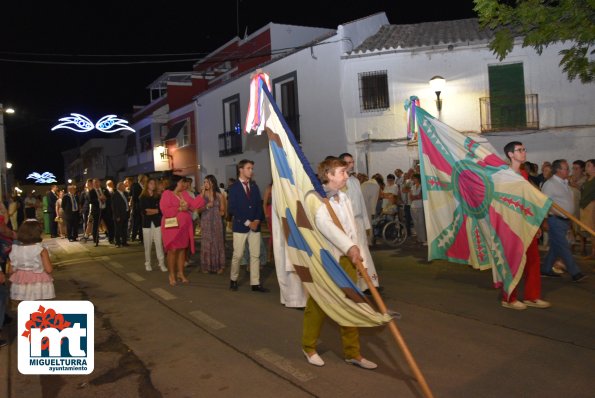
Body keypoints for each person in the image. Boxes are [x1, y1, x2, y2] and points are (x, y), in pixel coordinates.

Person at [301, 157, 377, 370]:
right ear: (329, 175)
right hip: (327, 260)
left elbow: (351, 227)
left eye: (346, 172)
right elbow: (326, 225)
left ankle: (353, 353)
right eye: (342, 172)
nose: (346, 175)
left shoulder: (343, 197)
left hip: (347, 260)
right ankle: (308, 347)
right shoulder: (316, 198)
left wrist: (357, 249)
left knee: (351, 303)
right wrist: (348, 246)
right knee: (318, 304)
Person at [500, 142, 551, 310]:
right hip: (510, 225)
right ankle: (509, 298)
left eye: (524, 149)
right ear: (510, 154)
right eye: (519, 150)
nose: (523, 152)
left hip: (526, 223)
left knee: (533, 260)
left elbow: (528, 200)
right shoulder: (503, 175)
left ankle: (532, 296)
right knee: (512, 262)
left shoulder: (523, 174)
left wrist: (536, 224)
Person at [540, 159, 587, 282]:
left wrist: (570, 218)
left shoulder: (565, 182)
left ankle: (545, 269)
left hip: (565, 220)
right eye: (566, 168)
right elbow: (544, 203)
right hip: (554, 220)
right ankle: (575, 272)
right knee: (563, 246)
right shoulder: (549, 184)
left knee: (556, 247)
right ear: (558, 170)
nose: (569, 170)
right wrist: (544, 220)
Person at [338, 153, 379, 291]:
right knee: (353, 253)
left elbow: (361, 203)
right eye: (348, 162)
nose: (351, 164)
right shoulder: (340, 182)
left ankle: (369, 284)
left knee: (364, 252)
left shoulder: (355, 181)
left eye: (352, 161)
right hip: (348, 222)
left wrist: (367, 223)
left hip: (359, 221)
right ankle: (355, 285)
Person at [228, 159, 268, 292]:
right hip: (241, 227)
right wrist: (248, 223)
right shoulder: (233, 188)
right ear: (241, 169)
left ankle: (255, 283)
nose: (251, 171)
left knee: (255, 255)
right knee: (238, 255)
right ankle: (233, 279)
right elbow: (233, 209)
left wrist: (257, 220)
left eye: (252, 168)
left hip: (254, 227)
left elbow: (258, 204)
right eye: (249, 168)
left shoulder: (254, 186)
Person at [160, 175, 206, 286]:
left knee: (182, 250)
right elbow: (165, 210)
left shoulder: (184, 193)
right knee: (173, 251)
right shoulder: (167, 194)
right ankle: (172, 275)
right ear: (175, 183)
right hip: (172, 227)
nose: (184, 184)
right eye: (182, 182)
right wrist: (179, 208)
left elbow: (194, 205)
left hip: (184, 227)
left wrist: (202, 193)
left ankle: (181, 273)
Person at [9, 220, 55, 301]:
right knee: (38, 307)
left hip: (21, 281)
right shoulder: (41, 250)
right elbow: (49, 269)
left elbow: (11, 270)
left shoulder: (15, 249)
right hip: (38, 281)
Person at [198, 175, 226, 274]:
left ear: (212, 183)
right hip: (205, 221)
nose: (205, 184)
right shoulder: (202, 195)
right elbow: (198, 209)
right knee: (206, 243)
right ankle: (206, 265)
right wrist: (206, 206)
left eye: (207, 182)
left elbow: (223, 210)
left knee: (217, 243)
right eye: (204, 182)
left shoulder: (219, 195)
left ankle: (219, 266)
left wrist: (220, 213)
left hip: (216, 222)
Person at [139, 178, 166, 271]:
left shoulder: (157, 196)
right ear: (147, 185)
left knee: (159, 243)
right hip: (146, 224)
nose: (153, 185)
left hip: (157, 223)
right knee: (148, 245)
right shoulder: (142, 197)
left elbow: (161, 210)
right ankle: (147, 263)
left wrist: (153, 211)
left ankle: (161, 263)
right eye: (151, 183)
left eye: (154, 183)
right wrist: (156, 211)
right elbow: (144, 211)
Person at [579, 159, 595, 259]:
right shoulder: (588, 179)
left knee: (593, 230)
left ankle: (594, 253)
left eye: (588, 165)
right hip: (585, 207)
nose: (586, 167)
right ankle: (593, 253)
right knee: (590, 231)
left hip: (592, 207)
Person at [409, 173, 427, 245]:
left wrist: (415, 197)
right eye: (413, 178)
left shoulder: (422, 186)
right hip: (413, 206)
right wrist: (415, 197)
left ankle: (423, 239)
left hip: (420, 206)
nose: (413, 179)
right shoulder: (412, 187)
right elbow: (411, 197)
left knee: (421, 223)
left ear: (418, 179)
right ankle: (419, 238)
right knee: (415, 223)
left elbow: (420, 196)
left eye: (415, 178)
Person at [89, 178, 108, 247]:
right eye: (95, 183)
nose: (96, 184)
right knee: (96, 225)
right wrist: (98, 198)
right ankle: (96, 239)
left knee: (108, 223)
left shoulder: (104, 189)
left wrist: (105, 197)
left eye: (97, 182)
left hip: (105, 210)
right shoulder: (92, 191)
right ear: (93, 184)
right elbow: (91, 200)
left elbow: (109, 197)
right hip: (97, 211)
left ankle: (111, 237)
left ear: (99, 183)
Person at [111, 182, 130, 248]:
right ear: (119, 187)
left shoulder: (125, 193)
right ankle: (117, 242)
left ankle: (124, 242)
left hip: (125, 214)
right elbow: (114, 207)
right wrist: (117, 216)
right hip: (119, 215)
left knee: (124, 229)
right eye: (123, 186)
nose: (125, 187)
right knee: (118, 229)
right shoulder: (115, 195)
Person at [130, 174, 147, 243]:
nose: (146, 180)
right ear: (142, 179)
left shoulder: (145, 186)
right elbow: (134, 197)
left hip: (143, 207)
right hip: (137, 207)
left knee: (142, 223)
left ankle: (141, 237)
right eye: (145, 179)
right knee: (136, 222)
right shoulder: (136, 186)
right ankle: (133, 237)